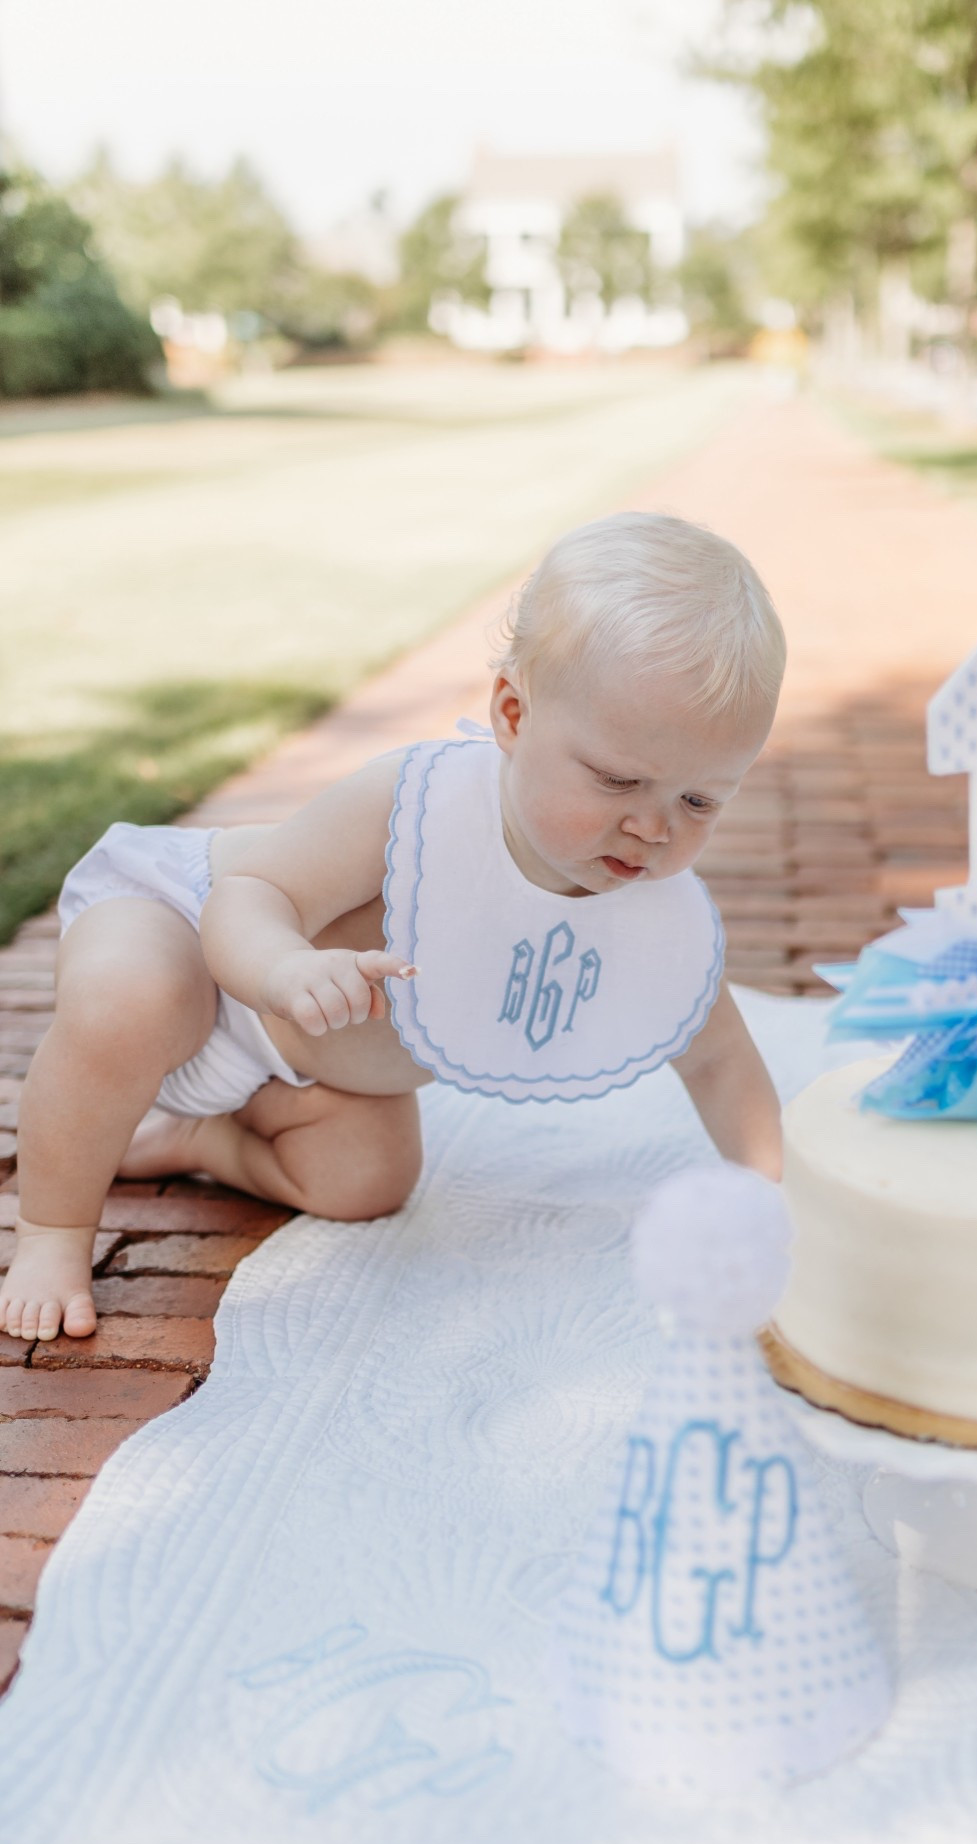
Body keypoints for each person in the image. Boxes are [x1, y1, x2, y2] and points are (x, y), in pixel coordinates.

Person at [1, 512, 787, 1344]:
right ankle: (51, 1232)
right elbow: (251, 890)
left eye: (700, 800)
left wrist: (772, 1191)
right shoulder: (415, 805)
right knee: (138, 998)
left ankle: (200, 1137)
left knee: (368, 1180)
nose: (653, 829)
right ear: (514, 717)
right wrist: (282, 970)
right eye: (618, 780)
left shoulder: (649, 912)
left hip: (296, 1069)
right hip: (193, 936)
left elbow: (720, 1059)